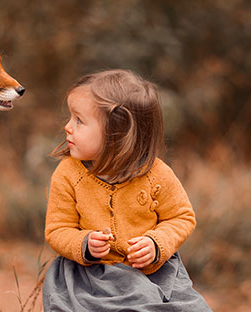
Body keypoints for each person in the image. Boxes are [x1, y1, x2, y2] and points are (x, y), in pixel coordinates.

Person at [42, 69, 211, 311]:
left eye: (79, 120)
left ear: (116, 134)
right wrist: (85, 243)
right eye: (71, 118)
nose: (68, 127)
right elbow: (58, 229)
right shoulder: (68, 174)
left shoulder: (156, 174)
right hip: (90, 277)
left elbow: (181, 217)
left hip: (151, 273)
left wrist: (156, 244)